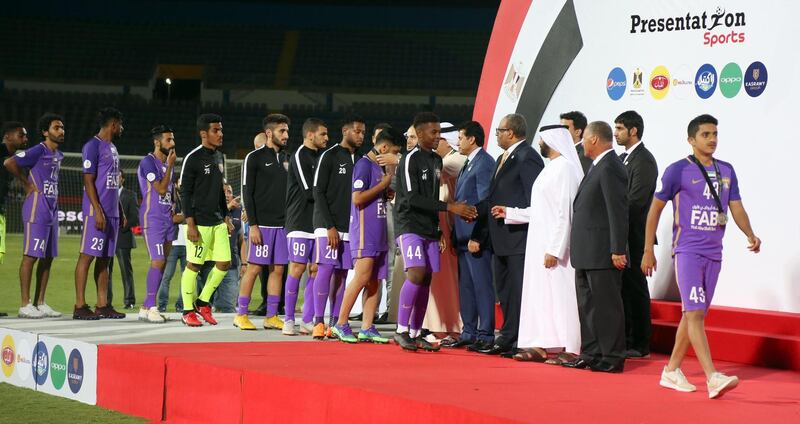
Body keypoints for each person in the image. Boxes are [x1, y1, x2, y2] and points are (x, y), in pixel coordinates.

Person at [643, 114, 761, 398]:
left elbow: (736, 207)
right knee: (694, 312)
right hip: (687, 251)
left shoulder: (727, 170)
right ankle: (712, 377)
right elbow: (655, 209)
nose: (712, 139)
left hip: (714, 253)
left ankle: (671, 371)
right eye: (706, 134)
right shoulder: (677, 171)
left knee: (693, 314)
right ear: (691, 140)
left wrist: (750, 233)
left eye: (715, 134)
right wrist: (648, 249)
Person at [492, 125, 583, 363]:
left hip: (556, 248)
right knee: (541, 296)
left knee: (563, 297)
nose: (539, 144)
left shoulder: (565, 168)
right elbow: (541, 210)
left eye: (542, 140)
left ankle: (570, 346)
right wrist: (511, 212)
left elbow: (566, 212)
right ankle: (540, 344)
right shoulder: (551, 168)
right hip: (539, 244)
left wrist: (555, 248)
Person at [393, 112, 477, 352]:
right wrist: (451, 208)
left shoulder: (436, 161)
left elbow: (432, 197)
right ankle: (401, 330)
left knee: (427, 277)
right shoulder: (410, 160)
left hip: (429, 227)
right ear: (419, 134)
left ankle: (416, 332)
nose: (438, 136)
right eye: (433, 132)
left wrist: (439, 228)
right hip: (409, 224)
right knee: (417, 274)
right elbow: (411, 198)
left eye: (439, 132)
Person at [474, 113, 544, 356]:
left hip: (519, 236)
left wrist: (512, 213)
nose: (496, 135)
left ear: (511, 132)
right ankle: (507, 336)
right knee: (504, 290)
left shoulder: (528, 157)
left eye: (499, 131)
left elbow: (535, 200)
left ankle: (519, 338)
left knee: (518, 291)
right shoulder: (504, 157)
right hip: (501, 236)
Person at [562, 121, 628, 373]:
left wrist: (618, 249)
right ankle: (592, 352)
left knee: (607, 307)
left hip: (603, 252)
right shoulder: (597, 165)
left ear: (592, 140)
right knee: (588, 306)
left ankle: (612, 356)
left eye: (584, 141)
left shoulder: (611, 166)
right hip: (587, 251)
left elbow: (617, 211)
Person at [331, 127, 403, 343]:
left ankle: (367, 327)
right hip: (364, 231)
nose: (395, 157)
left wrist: (385, 191)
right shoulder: (364, 164)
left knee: (375, 281)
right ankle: (340, 323)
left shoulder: (378, 167)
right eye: (394, 152)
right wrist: (382, 184)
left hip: (378, 230)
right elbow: (357, 198)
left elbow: (374, 194)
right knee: (362, 277)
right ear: (383, 148)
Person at [441, 121, 495, 350]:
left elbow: (485, 202)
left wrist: (479, 237)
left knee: (481, 285)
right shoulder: (469, 163)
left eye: (461, 138)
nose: (458, 142)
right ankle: (469, 331)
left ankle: (486, 334)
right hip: (462, 236)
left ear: (472, 139)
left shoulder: (484, 163)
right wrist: (455, 236)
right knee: (467, 286)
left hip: (474, 237)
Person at [311, 115, 365, 339]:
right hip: (327, 226)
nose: (361, 136)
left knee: (342, 274)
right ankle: (318, 321)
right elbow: (318, 191)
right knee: (326, 269)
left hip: (350, 226)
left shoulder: (362, 160)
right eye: (357, 132)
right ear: (345, 131)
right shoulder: (330, 155)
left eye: (363, 132)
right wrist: (329, 226)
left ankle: (336, 322)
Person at [4, 114, 63, 318]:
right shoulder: (38, 150)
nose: (61, 131)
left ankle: (41, 302)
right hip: (37, 209)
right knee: (31, 256)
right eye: (56, 128)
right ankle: (24, 304)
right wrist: (27, 184)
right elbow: (9, 163)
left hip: (52, 210)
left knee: (48, 257)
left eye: (62, 127)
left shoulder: (59, 155)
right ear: (45, 132)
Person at [235, 114, 291, 331]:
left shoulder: (287, 158)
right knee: (255, 268)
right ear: (269, 133)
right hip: (262, 225)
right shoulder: (255, 157)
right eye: (281, 131)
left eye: (287, 131)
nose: (286, 135)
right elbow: (248, 193)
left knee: (278, 270)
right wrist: (254, 225)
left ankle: (271, 315)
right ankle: (241, 314)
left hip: (283, 225)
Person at [178, 113, 232, 327]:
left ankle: (202, 302)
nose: (220, 134)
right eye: (215, 130)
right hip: (198, 222)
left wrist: (226, 216)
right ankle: (187, 310)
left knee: (224, 263)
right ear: (204, 133)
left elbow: (220, 190)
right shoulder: (193, 158)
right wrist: (190, 223)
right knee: (194, 265)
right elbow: (185, 193)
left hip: (217, 221)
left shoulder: (220, 157)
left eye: (221, 130)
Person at [73, 107, 126, 320]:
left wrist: (119, 209)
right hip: (97, 213)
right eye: (120, 124)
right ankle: (79, 305)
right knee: (87, 256)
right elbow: (88, 181)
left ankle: (102, 305)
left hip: (112, 212)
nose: (122, 128)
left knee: (105, 259)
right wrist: (97, 211)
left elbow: (112, 183)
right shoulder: (92, 146)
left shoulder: (112, 147)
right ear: (113, 124)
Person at [614, 111, 658, 358]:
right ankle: (627, 338)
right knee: (624, 288)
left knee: (635, 287)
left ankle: (640, 343)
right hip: (622, 232)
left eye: (620, 128)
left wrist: (612, 216)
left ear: (633, 131)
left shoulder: (644, 160)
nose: (616, 132)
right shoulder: (623, 158)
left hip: (636, 234)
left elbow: (636, 201)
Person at [284, 118, 328, 335]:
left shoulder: (321, 157)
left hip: (317, 222)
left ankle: (307, 320)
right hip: (299, 221)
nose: (326, 138)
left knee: (316, 269)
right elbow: (309, 190)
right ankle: (289, 320)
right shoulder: (300, 155)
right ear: (310, 135)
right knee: (298, 268)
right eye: (323, 134)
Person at [423, 122, 466, 342]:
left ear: (444, 141)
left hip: (449, 227)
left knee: (447, 280)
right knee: (438, 279)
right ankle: (441, 325)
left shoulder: (453, 160)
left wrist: (399, 161)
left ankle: (452, 326)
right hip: (443, 225)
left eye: (436, 139)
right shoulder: (445, 161)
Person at [137, 125, 177, 322]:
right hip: (152, 218)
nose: (172, 144)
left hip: (167, 219)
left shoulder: (167, 166)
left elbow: (169, 193)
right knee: (158, 261)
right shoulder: (148, 162)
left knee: (163, 264)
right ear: (157, 142)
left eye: (172, 140)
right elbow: (160, 190)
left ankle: (145, 307)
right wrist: (170, 166)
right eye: (168, 140)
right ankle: (153, 307)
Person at [202, 183, 242, 313]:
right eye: (223, 191)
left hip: (231, 263)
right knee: (203, 303)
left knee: (228, 307)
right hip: (210, 263)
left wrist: (245, 263)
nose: (226, 194)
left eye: (229, 192)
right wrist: (227, 208)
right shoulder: (209, 208)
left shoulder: (238, 211)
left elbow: (241, 239)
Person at [109, 171, 139, 309]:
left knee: (126, 271)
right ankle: (105, 301)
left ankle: (129, 301)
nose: (116, 179)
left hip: (123, 237)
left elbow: (135, 217)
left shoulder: (130, 195)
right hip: (107, 238)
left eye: (118, 177)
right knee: (105, 271)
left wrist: (124, 225)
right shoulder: (106, 193)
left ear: (123, 179)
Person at [157, 174, 186, 313]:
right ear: (175, 184)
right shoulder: (171, 198)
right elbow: (173, 219)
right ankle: (162, 305)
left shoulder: (187, 197)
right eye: (181, 182)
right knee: (167, 276)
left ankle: (181, 305)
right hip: (173, 243)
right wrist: (188, 215)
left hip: (188, 244)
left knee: (186, 277)